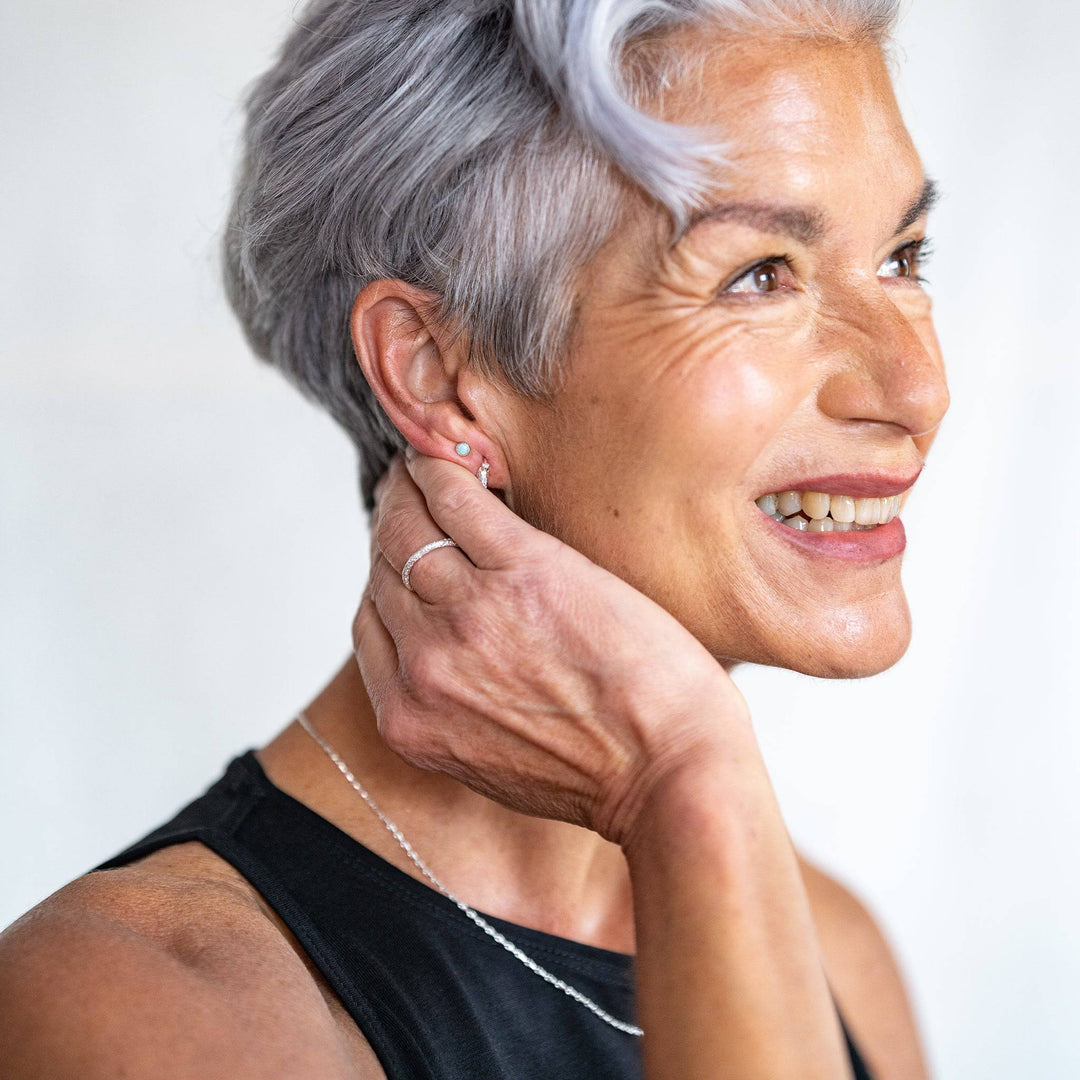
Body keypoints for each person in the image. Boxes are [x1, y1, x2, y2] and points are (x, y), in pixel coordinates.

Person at [0, 0, 946, 1076]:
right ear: (438, 372)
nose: (918, 385)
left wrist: (697, 792)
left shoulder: (835, 955)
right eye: (760, 275)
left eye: (906, 258)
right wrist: (687, 778)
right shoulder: (138, 1006)